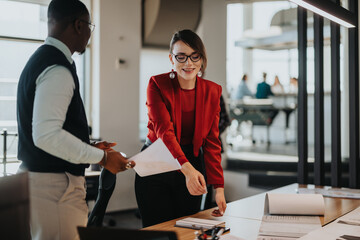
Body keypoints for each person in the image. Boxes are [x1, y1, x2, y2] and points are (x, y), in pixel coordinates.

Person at [16, 1, 135, 239]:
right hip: (56, 189)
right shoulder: (57, 68)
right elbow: (47, 136)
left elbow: (49, 130)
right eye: (90, 26)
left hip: (44, 184)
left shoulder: (41, 60)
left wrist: (88, 146)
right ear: (79, 26)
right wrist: (102, 158)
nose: (91, 33)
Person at [135, 29, 226, 227]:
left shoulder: (212, 91)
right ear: (171, 59)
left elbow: (212, 142)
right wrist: (187, 170)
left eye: (195, 56)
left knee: (187, 229)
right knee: (157, 231)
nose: (188, 63)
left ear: (201, 59)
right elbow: (164, 132)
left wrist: (219, 187)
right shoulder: (157, 84)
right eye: (181, 57)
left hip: (192, 162)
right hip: (157, 161)